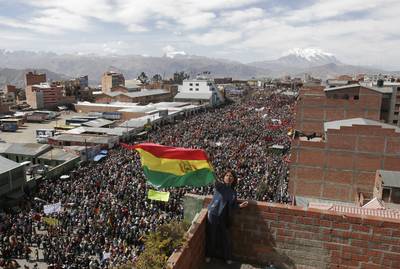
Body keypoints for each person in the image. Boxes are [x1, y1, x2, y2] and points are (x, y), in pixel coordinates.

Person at [205, 171, 248, 264]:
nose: (229, 177)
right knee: (211, 236)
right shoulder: (219, 186)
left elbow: (232, 206)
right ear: (223, 177)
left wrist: (240, 206)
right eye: (227, 175)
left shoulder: (233, 193)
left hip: (224, 217)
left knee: (226, 238)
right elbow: (214, 178)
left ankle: (227, 257)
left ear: (234, 179)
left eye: (231, 176)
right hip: (213, 214)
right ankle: (209, 255)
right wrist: (209, 165)